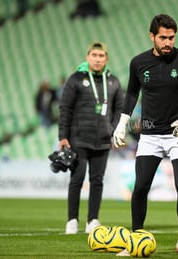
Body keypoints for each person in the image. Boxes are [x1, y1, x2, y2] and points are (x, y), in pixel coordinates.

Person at [112, 14, 178, 257]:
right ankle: (136, 239)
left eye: (171, 37)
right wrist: (122, 123)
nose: (168, 42)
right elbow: (131, 94)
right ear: (152, 36)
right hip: (149, 136)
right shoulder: (138, 63)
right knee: (140, 187)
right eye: (163, 37)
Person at [58, 42, 124, 234]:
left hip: (103, 140)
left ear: (106, 59)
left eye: (101, 55)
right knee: (77, 179)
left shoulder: (113, 82)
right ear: (87, 57)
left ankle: (92, 220)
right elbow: (65, 108)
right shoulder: (76, 79)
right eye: (94, 55)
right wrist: (63, 136)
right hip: (78, 138)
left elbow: (120, 108)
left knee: (97, 180)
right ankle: (72, 221)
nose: (97, 59)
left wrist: (113, 129)